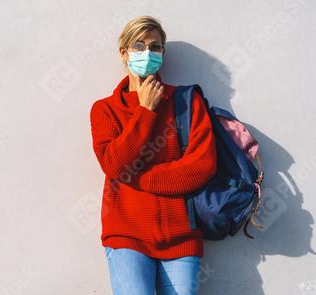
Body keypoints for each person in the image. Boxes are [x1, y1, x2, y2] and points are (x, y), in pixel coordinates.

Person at [89, 15, 218, 295]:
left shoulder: (186, 102)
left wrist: (135, 177)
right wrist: (145, 111)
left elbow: (201, 167)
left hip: (181, 239)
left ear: (163, 52)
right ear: (123, 53)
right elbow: (113, 164)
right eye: (138, 46)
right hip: (126, 237)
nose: (147, 53)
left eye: (155, 47)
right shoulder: (105, 110)